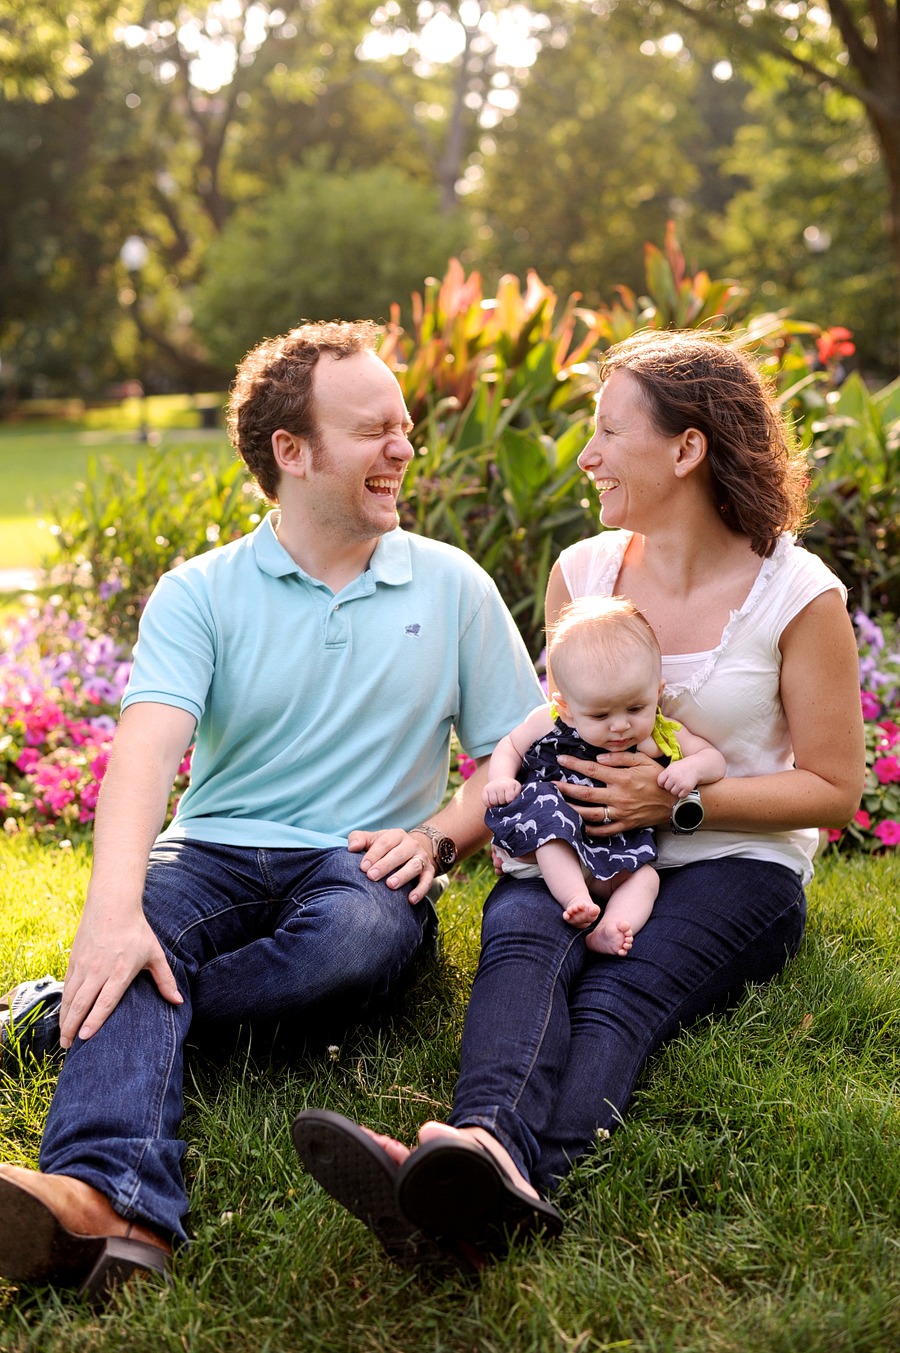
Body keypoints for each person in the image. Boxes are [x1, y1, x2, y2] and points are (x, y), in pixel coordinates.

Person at [293, 329, 865, 1260]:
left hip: (734, 864)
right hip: (578, 843)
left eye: (607, 434)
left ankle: (499, 1181)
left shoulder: (796, 594)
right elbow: (542, 734)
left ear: (687, 450)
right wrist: (448, 838)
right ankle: (480, 1149)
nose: (587, 457)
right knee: (524, 949)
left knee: (617, 992)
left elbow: (836, 790)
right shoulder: (584, 574)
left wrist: (674, 805)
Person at [0, 321, 543, 1299]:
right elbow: (144, 756)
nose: (404, 449)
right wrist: (112, 913)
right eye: (375, 428)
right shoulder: (200, 592)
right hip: (213, 852)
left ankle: (76, 1026)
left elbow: (518, 756)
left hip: (363, 866)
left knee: (349, 936)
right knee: (142, 926)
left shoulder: (452, 585)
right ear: (291, 452)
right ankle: (108, 1204)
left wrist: (440, 833)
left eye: (406, 427)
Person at [483, 596, 726, 955]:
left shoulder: (660, 732)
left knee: (646, 878)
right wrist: (501, 778)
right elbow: (511, 746)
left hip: (614, 851)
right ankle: (576, 899)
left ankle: (612, 927)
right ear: (565, 706)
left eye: (635, 708)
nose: (621, 726)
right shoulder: (548, 719)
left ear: (657, 692)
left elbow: (713, 759)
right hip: (551, 843)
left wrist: (690, 768)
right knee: (551, 828)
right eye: (600, 716)